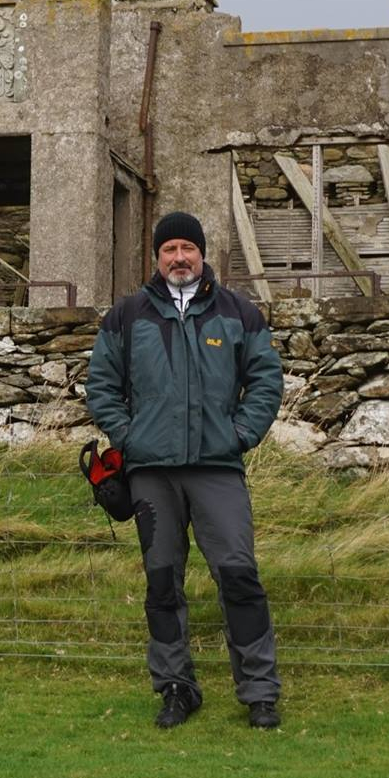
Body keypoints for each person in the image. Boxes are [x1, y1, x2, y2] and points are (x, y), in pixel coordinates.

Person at [84, 209, 285, 729]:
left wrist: (240, 435)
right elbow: (101, 385)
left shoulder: (238, 313)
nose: (179, 257)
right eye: (169, 249)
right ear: (157, 257)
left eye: (187, 248)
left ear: (202, 254)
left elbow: (266, 379)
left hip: (217, 468)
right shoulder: (127, 316)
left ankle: (260, 692)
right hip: (151, 474)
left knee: (238, 575)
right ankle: (176, 687)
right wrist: (130, 438)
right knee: (162, 583)